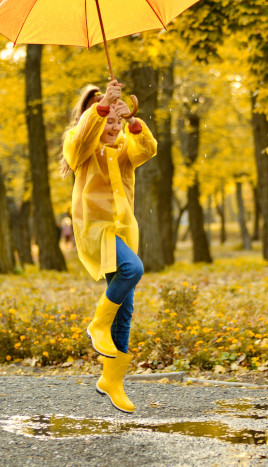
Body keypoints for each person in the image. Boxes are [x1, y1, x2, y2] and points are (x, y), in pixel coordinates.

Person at [61, 80, 157, 413]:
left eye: (116, 122)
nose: (112, 127)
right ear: (93, 118)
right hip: (95, 230)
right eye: (107, 121)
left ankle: (111, 379)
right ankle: (97, 324)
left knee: (126, 309)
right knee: (133, 269)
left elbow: (147, 149)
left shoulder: (123, 150)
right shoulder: (81, 146)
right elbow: (79, 141)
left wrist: (131, 122)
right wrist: (103, 107)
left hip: (122, 233)